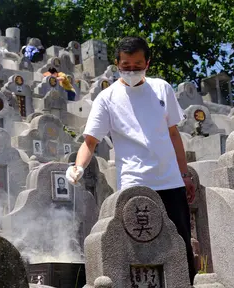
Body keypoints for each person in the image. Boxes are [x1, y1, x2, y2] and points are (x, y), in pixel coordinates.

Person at [65, 36, 196, 284]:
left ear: (148, 62)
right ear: (117, 63)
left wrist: (185, 174)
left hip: (169, 182)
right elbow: (90, 141)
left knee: (180, 248)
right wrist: (78, 166)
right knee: (138, 249)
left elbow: (173, 135)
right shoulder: (107, 98)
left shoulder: (162, 89)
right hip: (135, 184)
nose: (132, 70)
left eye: (138, 65)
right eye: (126, 66)